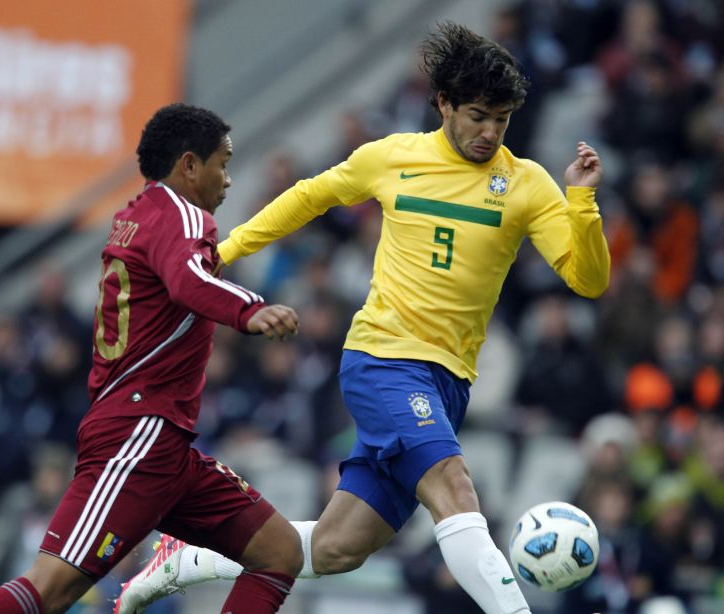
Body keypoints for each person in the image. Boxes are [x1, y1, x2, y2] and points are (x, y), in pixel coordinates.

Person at [116, 21, 610, 614]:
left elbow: (589, 279)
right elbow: (310, 196)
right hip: (384, 361)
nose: (489, 132)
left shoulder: (526, 183)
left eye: (501, 120)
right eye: (478, 115)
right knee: (455, 489)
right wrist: (224, 252)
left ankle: (187, 559)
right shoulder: (391, 157)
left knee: (336, 548)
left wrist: (580, 200)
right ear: (444, 104)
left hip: (450, 382)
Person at [0, 103, 304, 614]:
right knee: (49, 588)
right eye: (222, 164)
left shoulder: (135, 216)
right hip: (138, 433)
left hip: (164, 442)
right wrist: (249, 309)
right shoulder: (185, 216)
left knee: (279, 552)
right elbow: (189, 281)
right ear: (190, 165)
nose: (228, 181)